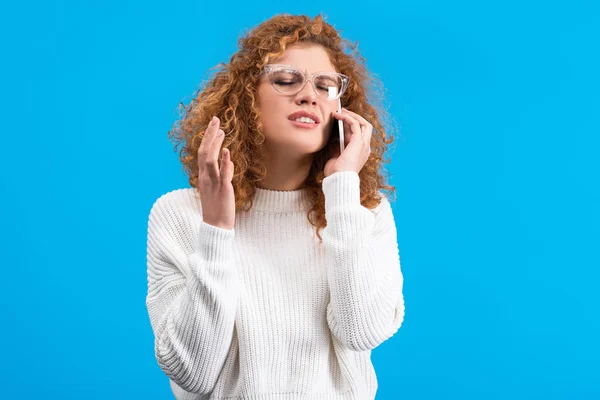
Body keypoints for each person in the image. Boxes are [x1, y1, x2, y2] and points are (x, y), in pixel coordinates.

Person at [145, 12, 405, 400]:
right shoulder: (179, 214)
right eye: (286, 80)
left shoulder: (363, 211)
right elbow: (191, 373)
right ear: (246, 97)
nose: (309, 95)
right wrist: (215, 230)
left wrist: (342, 190)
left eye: (326, 85)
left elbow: (361, 331)